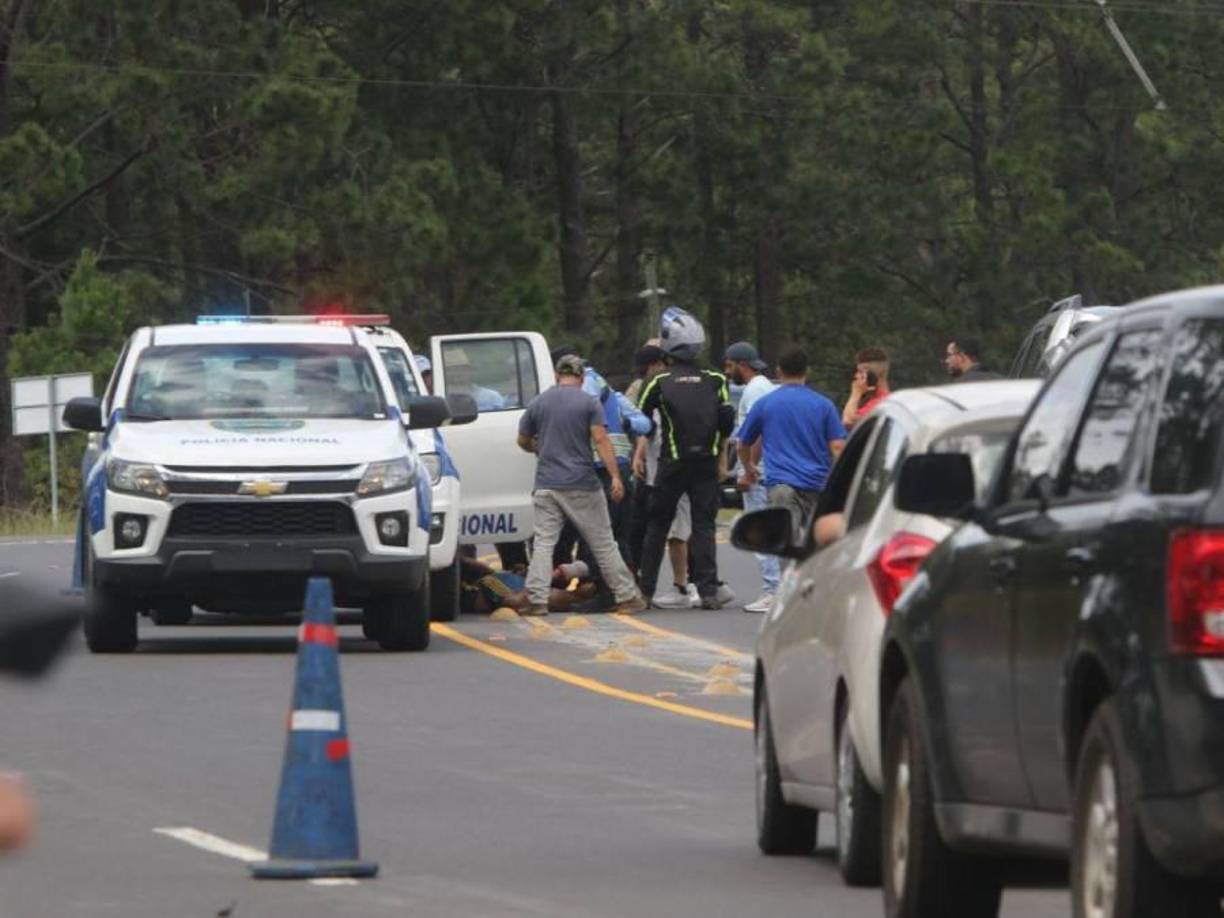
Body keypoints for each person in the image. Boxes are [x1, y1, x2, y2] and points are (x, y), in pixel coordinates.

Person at [516, 354, 646, 616]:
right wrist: (616, 476)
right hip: (582, 483)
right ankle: (626, 595)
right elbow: (600, 439)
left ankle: (537, 600)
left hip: (546, 484)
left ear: (556, 375)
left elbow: (522, 439)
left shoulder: (539, 402)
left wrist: (537, 448)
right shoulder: (589, 402)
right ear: (581, 377)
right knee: (603, 542)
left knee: (543, 543)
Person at [637, 307, 736, 610]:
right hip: (705, 462)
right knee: (704, 525)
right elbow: (726, 423)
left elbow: (641, 420)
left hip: (672, 463)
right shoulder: (716, 380)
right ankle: (708, 592)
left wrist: (640, 449)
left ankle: (646, 591)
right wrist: (720, 459)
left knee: (657, 525)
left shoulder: (658, 381)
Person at [738, 344, 846, 542]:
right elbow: (838, 447)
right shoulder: (824, 405)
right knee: (819, 545)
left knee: (786, 546)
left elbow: (742, 443)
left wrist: (748, 467)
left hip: (782, 486)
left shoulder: (766, 404)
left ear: (779, 370)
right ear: (807, 371)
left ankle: (790, 573)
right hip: (818, 485)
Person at [724, 341, 781, 613]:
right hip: (767, 469)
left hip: (759, 471)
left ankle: (772, 590)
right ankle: (777, 589)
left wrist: (749, 469)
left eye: (730, 365)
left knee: (759, 532)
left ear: (743, 365)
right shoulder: (762, 387)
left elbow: (757, 431)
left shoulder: (754, 390)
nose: (727, 372)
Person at [841, 346, 892, 429]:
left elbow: (847, 421)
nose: (856, 376)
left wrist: (855, 394)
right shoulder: (873, 400)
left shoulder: (879, 403)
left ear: (871, 376)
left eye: (860, 372)